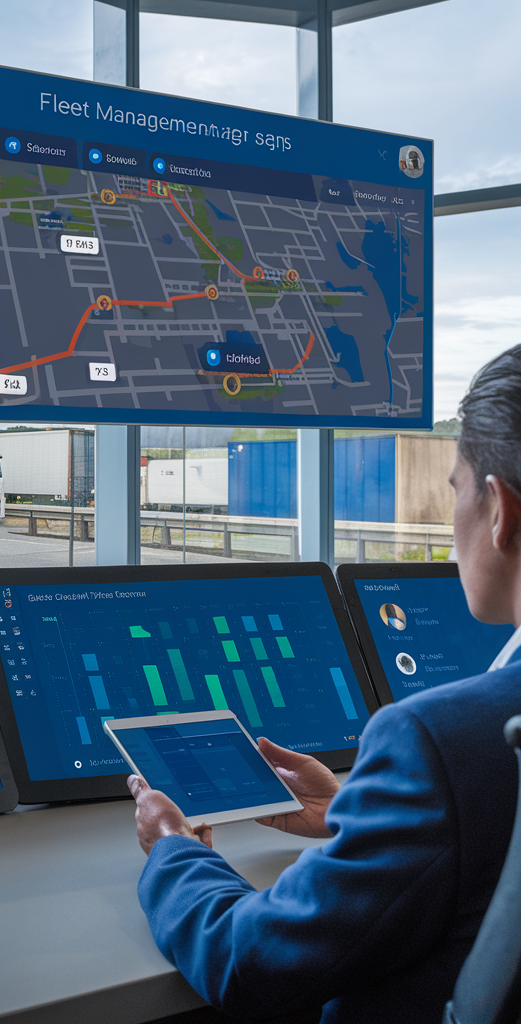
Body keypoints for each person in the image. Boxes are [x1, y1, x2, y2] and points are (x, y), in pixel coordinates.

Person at [130, 345, 521, 1024]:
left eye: (454, 487)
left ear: (500, 511)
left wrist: (173, 850)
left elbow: (252, 961)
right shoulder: (461, 760)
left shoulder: (440, 742)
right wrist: (360, 812)